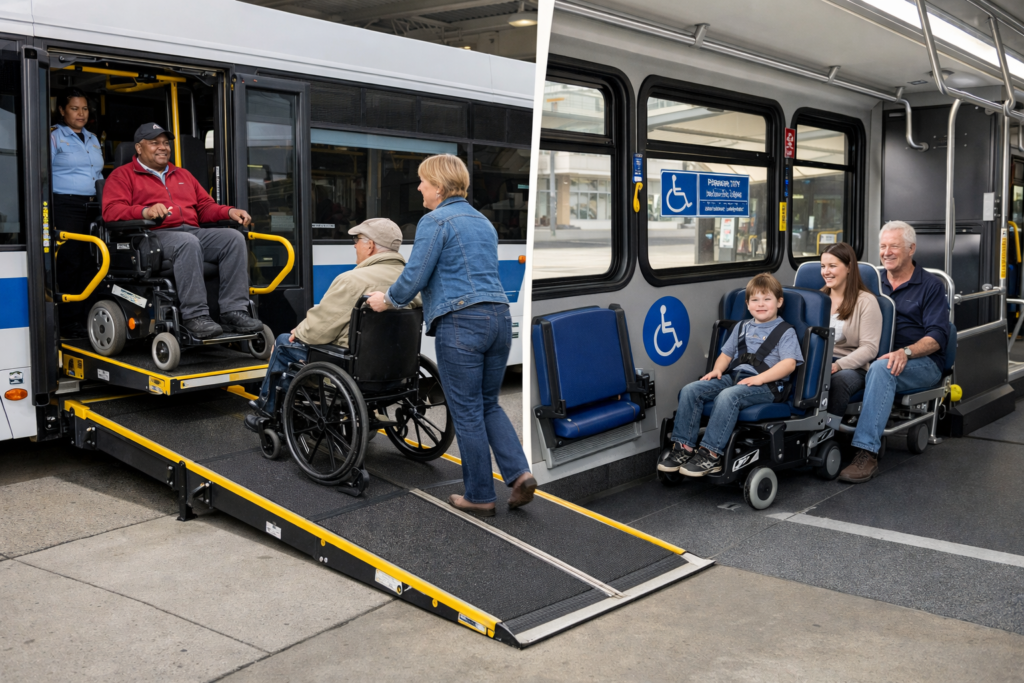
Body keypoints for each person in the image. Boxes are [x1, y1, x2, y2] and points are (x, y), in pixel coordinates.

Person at [366, 154, 535, 517]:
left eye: (423, 182)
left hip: (462, 322)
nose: (419, 188)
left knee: (467, 410)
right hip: (499, 317)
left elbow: (416, 273)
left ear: (439, 188)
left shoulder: (434, 221)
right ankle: (519, 474)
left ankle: (480, 495)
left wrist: (388, 299)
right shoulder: (482, 221)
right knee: (488, 403)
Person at [244, 218, 418, 430]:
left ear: (370, 245)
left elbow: (318, 331)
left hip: (351, 367)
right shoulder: (410, 283)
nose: (354, 245)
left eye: (357, 240)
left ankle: (267, 408)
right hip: (398, 369)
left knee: (283, 343)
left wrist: (299, 332)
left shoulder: (353, 280)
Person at [102, 123, 261, 340]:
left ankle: (234, 311)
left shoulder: (182, 174)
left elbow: (205, 207)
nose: (163, 147)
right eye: (154, 143)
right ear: (138, 148)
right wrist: (145, 211)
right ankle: (195, 316)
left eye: (165, 143)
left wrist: (229, 211)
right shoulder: (122, 176)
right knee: (187, 242)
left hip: (191, 232)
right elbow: (111, 212)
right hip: (151, 238)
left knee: (233, 238)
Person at [658, 272, 804, 477]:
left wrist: (760, 378)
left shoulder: (785, 331)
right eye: (755, 300)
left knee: (728, 396)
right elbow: (726, 355)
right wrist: (717, 370)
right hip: (734, 377)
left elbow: (789, 364)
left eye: (767, 299)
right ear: (747, 304)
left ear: (779, 302)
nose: (761, 304)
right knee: (690, 390)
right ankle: (684, 447)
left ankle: (711, 454)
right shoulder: (741, 327)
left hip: (767, 385)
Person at [838, 221, 950, 484]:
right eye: (883, 246)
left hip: (921, 361)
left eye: (894, 247)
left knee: (882, 368)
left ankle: (867, 452)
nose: (886, 252)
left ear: (911, 249)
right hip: (874, 354)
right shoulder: (871, 281)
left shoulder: (931, 285)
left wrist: (905, 352)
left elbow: (938, 337)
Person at [51, 88, 104, 337]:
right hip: (65, 205)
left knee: (92, 261)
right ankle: (67, 321)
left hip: (93, 206)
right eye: (74, 108)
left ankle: (86, 316)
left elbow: (98, 173)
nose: (81, 113)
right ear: (62, 110)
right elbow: (40, 171)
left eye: (84, 109)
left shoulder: (92, 138)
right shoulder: (54, 136)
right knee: (69, 261)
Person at [820, 242, 883, 420]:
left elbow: (870, 348)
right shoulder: (819, 298)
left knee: (837, 382)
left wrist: (838, 365)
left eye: (832, 266)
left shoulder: (866, 301)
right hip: (820, 361)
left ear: (849, 267)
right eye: (823, 266)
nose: (826, 272)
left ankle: (829, 431)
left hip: (852, 366)